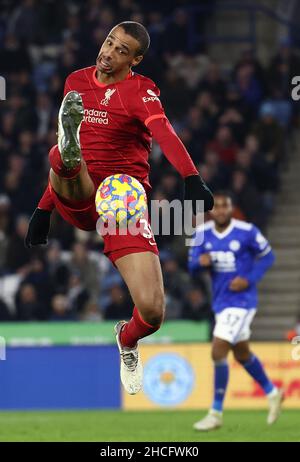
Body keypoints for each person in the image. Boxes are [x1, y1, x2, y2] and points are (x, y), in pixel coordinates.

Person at [24, 21, 214, 395]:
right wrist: (43, 209)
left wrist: (192, 177)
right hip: (79, 193)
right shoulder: (75, 82)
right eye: (109, 42)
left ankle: (127, 340)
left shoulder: (141, 92)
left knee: (153, 311)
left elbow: (164, 133)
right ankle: (67, 150)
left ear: (136, 60)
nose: (109, 52)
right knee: (62, 156)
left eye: (121, 50)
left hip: (121, 203)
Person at [188, 191, 283, 431]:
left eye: (224, 206)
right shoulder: (201, 234)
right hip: (220, 301)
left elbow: (267, 256)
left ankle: (215, 413)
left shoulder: (247, 231)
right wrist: (200, 264)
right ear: (211, 211)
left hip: (242, 301)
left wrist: (249, 280)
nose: (220, 210)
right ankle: (273, 393)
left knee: (218, 350)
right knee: (241, 354)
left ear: (231, 208)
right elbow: (191, 265)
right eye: (216, 207)